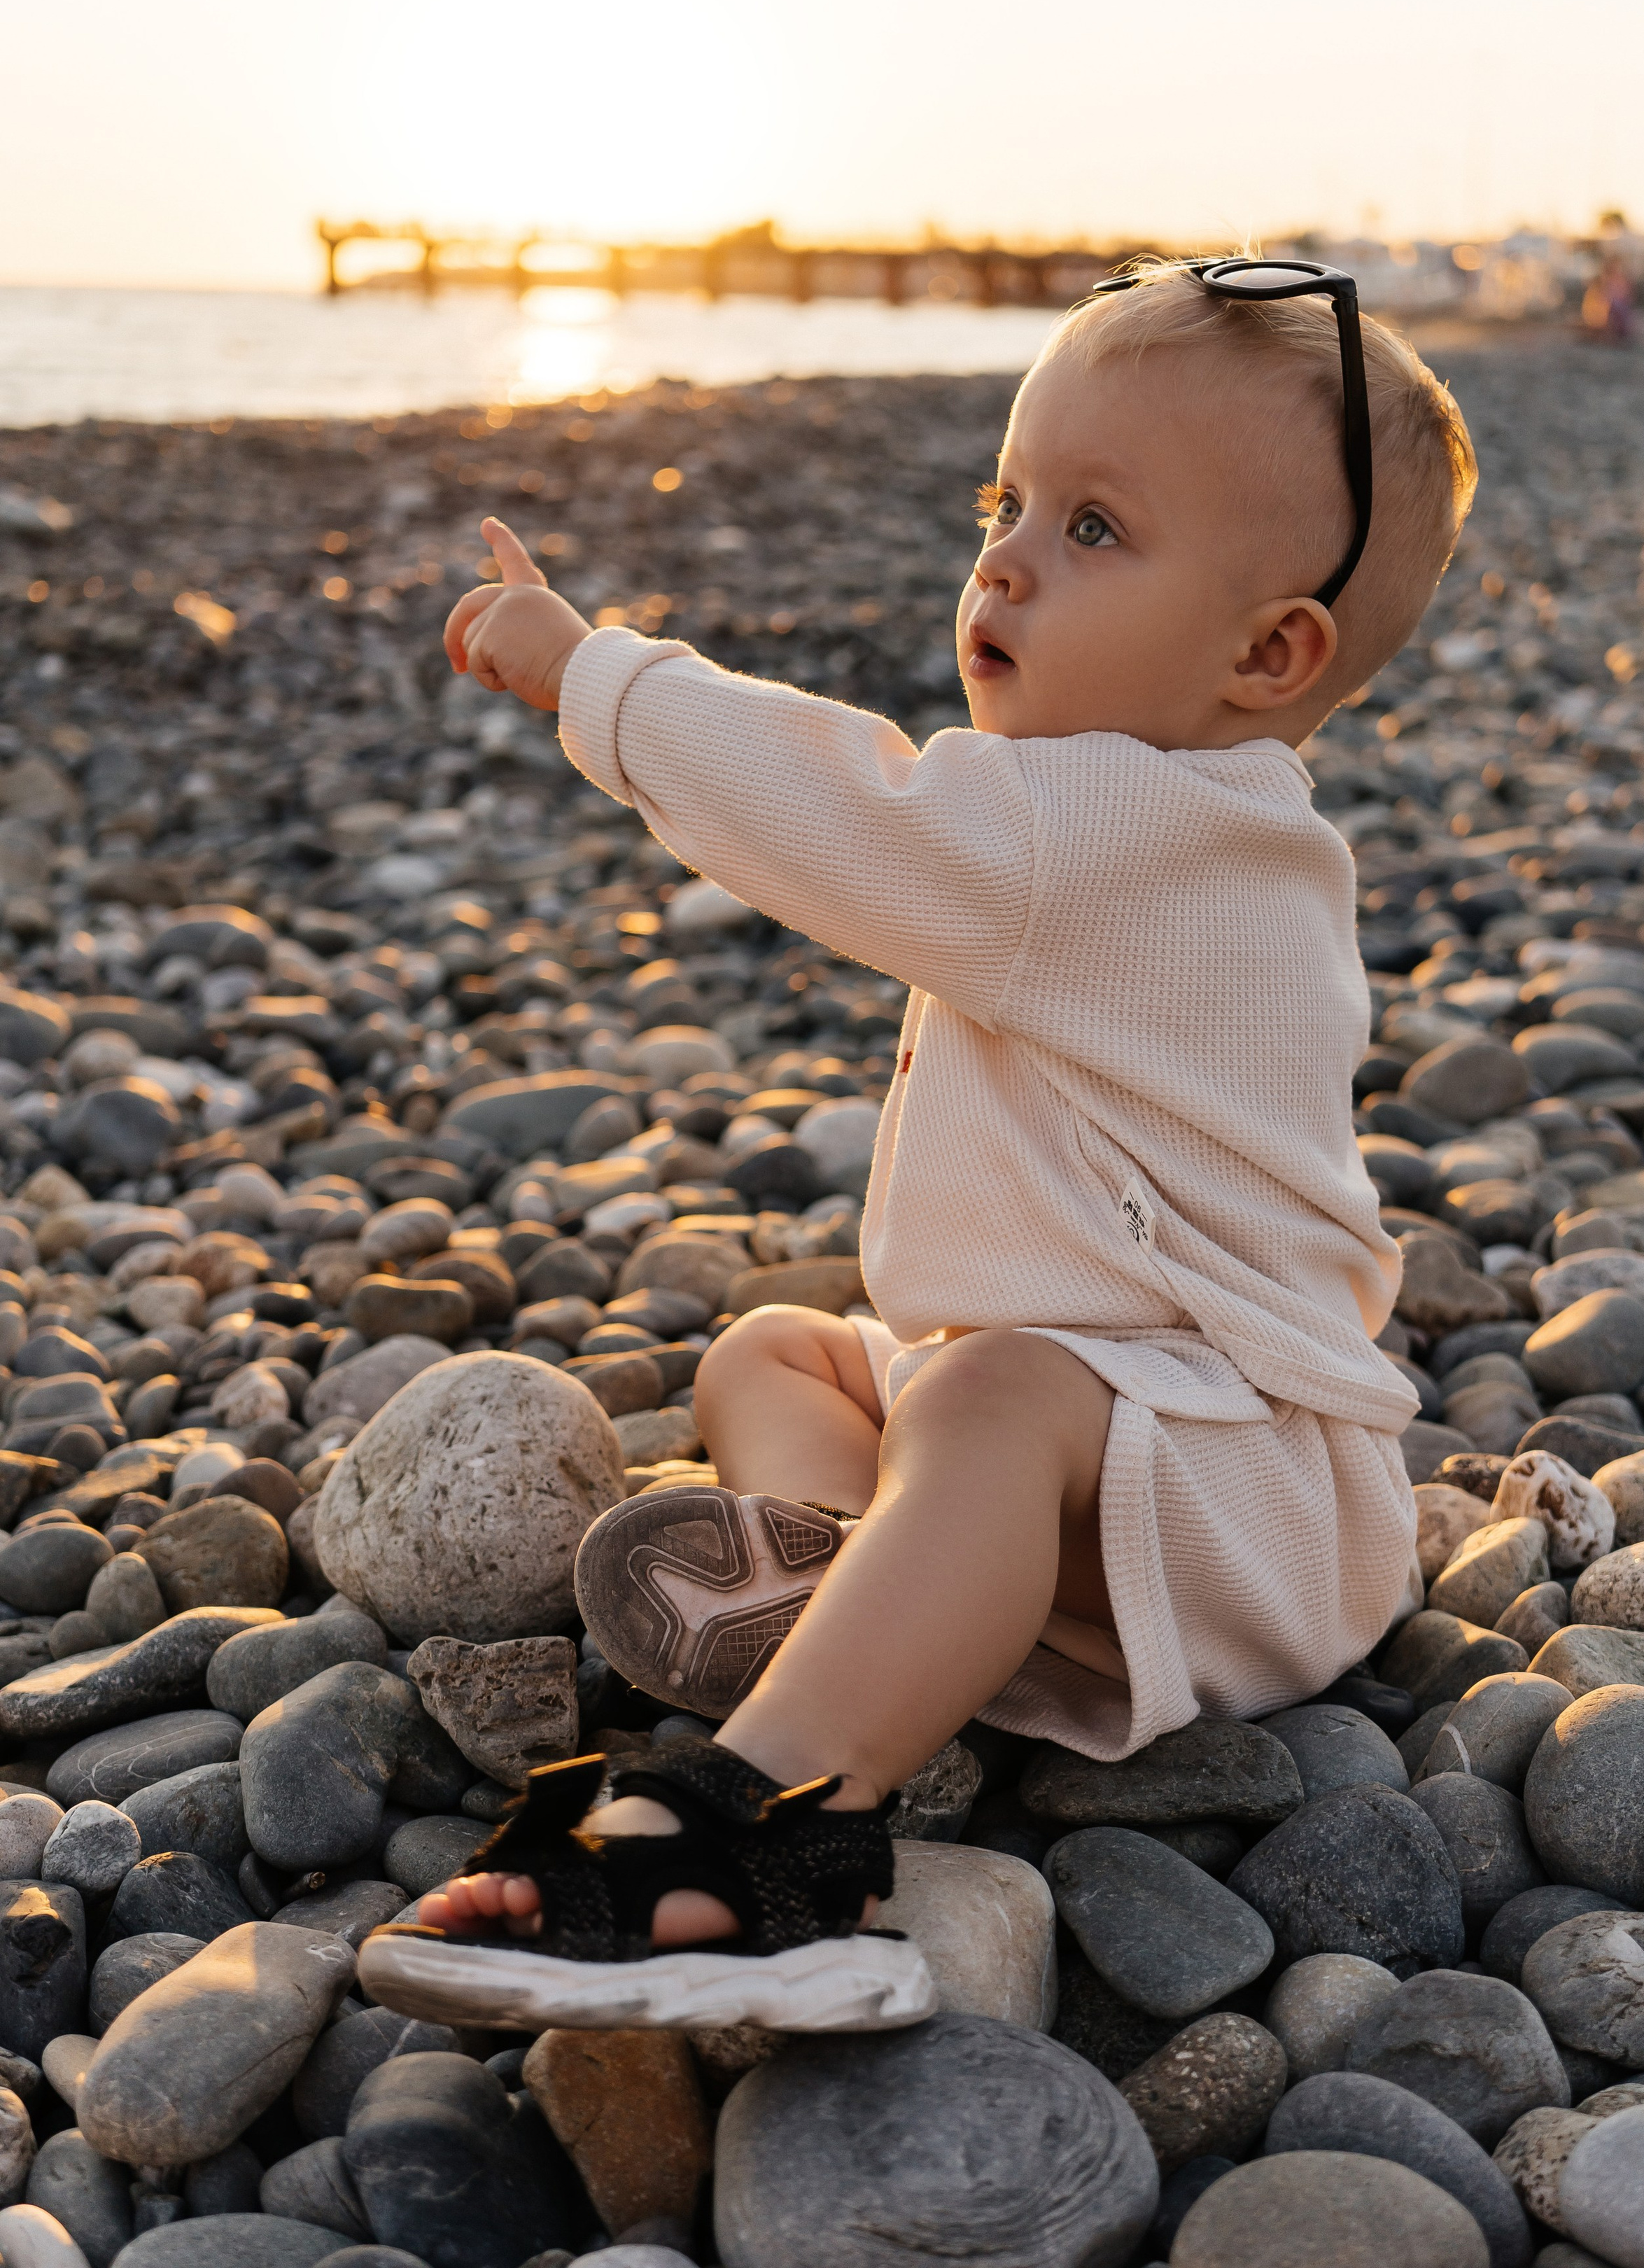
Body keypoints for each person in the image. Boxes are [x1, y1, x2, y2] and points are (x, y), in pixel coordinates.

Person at [365, 259, 1477, 2034]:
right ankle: (852, 1596)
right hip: (1132, 1458)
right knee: (785, 1345)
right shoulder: (1191, 819)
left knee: (979, 1398)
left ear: (1266, 651)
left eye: (1093, 526)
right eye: (1005, 502)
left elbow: (837, 803)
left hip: (1246, 1495)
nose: (1008, 558)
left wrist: (595, 673)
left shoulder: (1106, 833)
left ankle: (761, 1838)